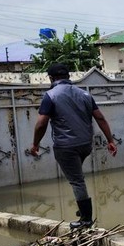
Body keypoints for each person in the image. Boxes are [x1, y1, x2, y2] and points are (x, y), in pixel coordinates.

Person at [30, 63, 118, 228]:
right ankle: (83, 210)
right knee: (78, 177)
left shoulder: (50, 95)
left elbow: (41, 123)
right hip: (85, 144)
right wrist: (110, 140)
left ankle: (86, 219)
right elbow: (100, 118)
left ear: (50, 78)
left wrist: (35, 144)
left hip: (66, 146)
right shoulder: (84, 94)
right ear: (68, 77)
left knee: (77, 181)